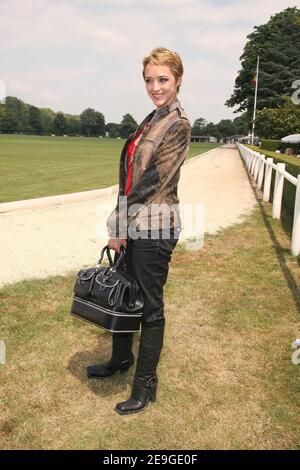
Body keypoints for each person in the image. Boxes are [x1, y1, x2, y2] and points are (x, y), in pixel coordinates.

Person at [87, 47, 191, 414]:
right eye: (149, 80)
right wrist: (119, 222)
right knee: (123, 295)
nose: (155, 87)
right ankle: (120, 359)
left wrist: (122, 222)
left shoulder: (177, 124)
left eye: (162, 79)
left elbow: (151, 183)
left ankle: (146, 384)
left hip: (156, 228)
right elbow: (128, 178)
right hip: (132, 223)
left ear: (178, 79)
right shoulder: (150, 120)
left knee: (149, 306)